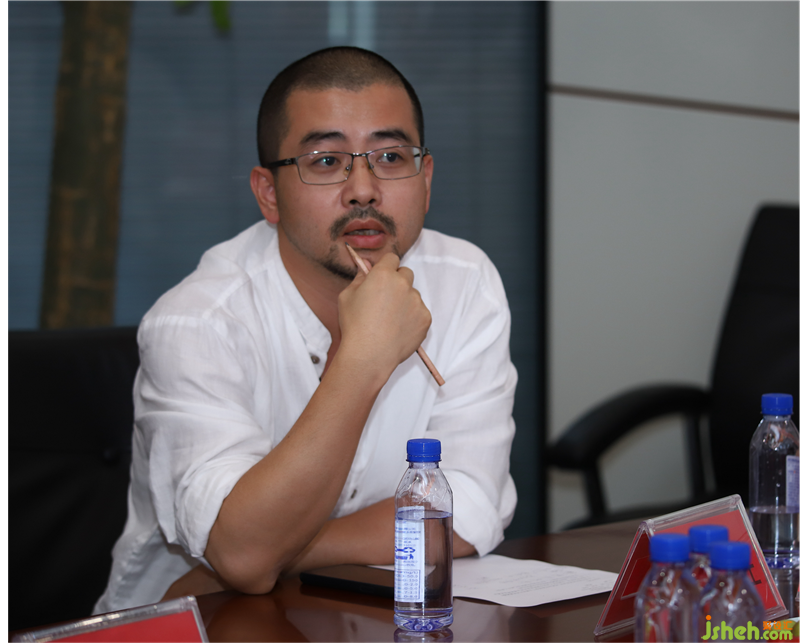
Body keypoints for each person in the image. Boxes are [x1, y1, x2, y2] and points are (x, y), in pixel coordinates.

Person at [94, 46, 517, 613]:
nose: (363, 189)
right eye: (326, 161)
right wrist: (363, 361)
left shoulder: (465, 281)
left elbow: (470, 506)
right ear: (269, 194)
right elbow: (243, 553)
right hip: (191, 625)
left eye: (391, 157)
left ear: (426, 178)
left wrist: (283, 550)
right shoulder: (197, 321)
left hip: (363, 614)